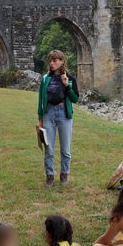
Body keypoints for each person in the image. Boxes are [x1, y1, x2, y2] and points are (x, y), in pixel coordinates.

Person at [36, 50, 79, 187]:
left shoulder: (70, 78)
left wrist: (66, 85)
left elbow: (75, 99)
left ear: (62, 61)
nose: (52, 63)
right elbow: (41, 100)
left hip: (64, 114)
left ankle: (64, 175)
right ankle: (49, 175)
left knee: (65, 149)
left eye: (55, 61)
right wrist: (40, 119)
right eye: (50, 61)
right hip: (48, 113)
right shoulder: (45, 78)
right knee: (48, 148)